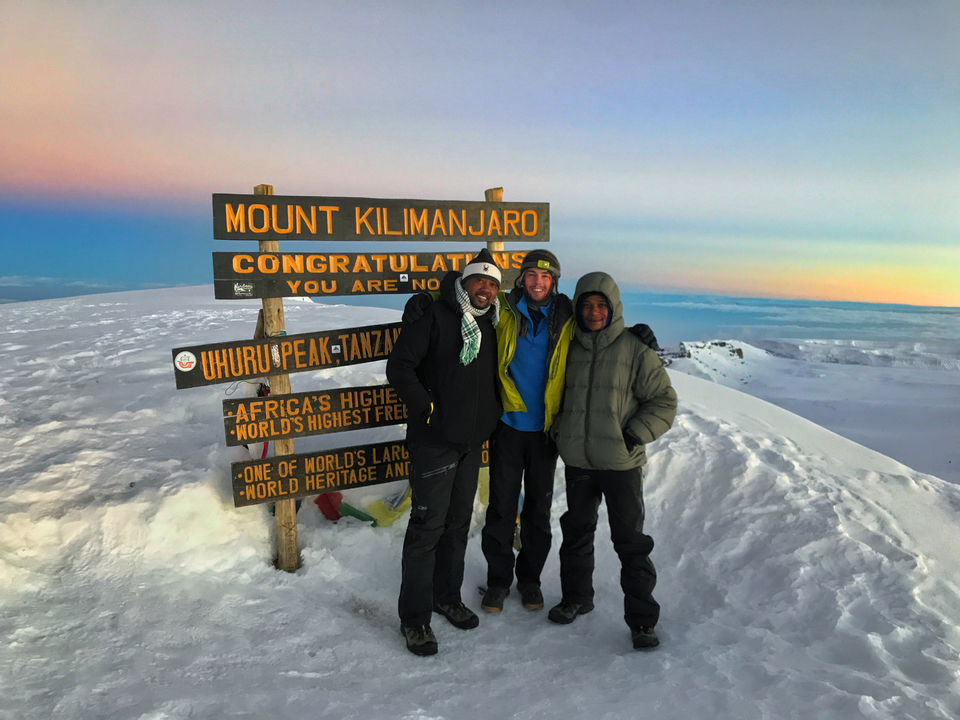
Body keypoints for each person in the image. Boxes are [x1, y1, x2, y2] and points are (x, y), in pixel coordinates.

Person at [548, 271, 677, 650]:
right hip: (579, 460)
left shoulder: (634, 349)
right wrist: (560, 431)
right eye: (586, 305)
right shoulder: (567, 345)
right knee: (576, 532)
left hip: (621, 464)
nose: (593, 312)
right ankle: (576, 598)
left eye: (601, 305)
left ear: (613, 307)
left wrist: (634, 434)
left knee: (631, 542)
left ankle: (642, 621)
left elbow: (664, 402)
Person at [386, 248, 504, 656]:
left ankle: (446, 596)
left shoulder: (491, 325)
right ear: (464, 282)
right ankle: (415, 620)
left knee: (457, 524)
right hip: (434, 442)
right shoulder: (433, 316)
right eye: (479, 281)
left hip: (471, 444)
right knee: (426, 529)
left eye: (492, 284)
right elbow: (400, 366)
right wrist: (427, 406)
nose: (485, 289)